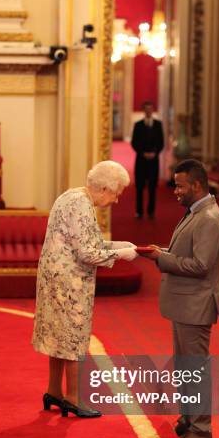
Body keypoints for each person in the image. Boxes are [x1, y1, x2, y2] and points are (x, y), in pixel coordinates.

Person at [32, 161, 137, 418]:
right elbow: (87, 252)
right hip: (69, 282)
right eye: (116, 192)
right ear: (103, 188)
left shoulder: (73, 195)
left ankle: (54, 391)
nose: (116, 199)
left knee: (58, 335)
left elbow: (86, 240)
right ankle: (73, 398)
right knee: (72, 336)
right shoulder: (81, 204)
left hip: (57, 278)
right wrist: (121, 254)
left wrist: (117, 245)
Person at [141, 159, 219, 438]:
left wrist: (161, 259)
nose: (175, 191)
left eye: (180, 186)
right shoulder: (196, 212)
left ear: (197, 185)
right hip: (186, 304)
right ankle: (190, 419)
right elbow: (185, 252)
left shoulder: (209, 219)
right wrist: (161, 251)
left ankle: (201, 428)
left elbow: (201, 265)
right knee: (185, 367)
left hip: (196, 304)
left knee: (195, 368)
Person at [131, 100, 164, 219]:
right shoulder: (138, 125)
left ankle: (151, 211)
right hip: (141, 160)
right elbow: (134, 142)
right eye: (146, 109)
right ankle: (139, 211)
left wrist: (155, 153)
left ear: (152, 110)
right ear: (144, 110)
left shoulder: (158, 125)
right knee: (139, 187)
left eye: (150, 109)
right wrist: (143, 153)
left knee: (152, 188)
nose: (148, 111)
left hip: (154, 161)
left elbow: (161, 142)